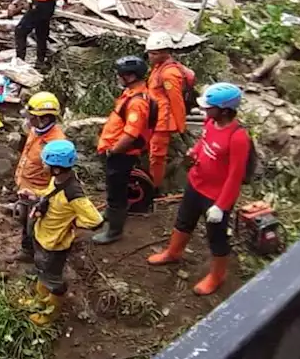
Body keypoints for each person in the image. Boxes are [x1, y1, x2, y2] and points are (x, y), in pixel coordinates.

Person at [147, 83, 250, 296]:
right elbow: (204, 142)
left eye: (209, 107)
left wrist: (221, 206)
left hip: (216, 195)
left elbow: (235, 176)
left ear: (224, 110)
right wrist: (194, 153)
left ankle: (217, 275)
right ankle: (173, 252)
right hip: (196, 183)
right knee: (184, 220)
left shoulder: (238, 137)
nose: (204, 110)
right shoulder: (210, 122)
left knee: (217, 236)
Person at [24, 140, 104, 325]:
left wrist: (73, 224)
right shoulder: (57, 180)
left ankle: (50, 313)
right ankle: (40, 301)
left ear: (57, 169)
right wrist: (35, 195)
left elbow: (95, 219)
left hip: (55, 244)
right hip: (43, 235)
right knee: (42, 270)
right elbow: (49, 194)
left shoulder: (73, 193)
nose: (43, 165)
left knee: (53, 280)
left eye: (46, 163)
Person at [92, 56, 152, 245]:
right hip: (116, 152)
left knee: (117, 192)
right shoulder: (130, 94)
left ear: (131, 76)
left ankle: (114, 231)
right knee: (112, 188)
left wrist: (114, 151)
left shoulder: (137, 102)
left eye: (120, 75)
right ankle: (110, 214)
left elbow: (131, 134)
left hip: (121, 155)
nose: (118, 78)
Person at [13, 92, 67, 262]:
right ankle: (27, 251)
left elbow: (59, 176)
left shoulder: (57, 144)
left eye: (32, 117)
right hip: (26, 189)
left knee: (36, 228)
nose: (29, 119)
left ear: (43, 118)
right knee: (25, 223)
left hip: (40, 194)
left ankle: (41, 260)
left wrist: (43, 198)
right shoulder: (36, 131)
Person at [145, 32, 194, 190]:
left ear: (164, 53)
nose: (150, 57)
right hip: (154, 116)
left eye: (153, 54)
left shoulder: (169, 73)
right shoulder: (158, 68)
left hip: (163, 121)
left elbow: (176, 100)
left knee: (157, 156)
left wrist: (181, 126)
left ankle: (155, 187)